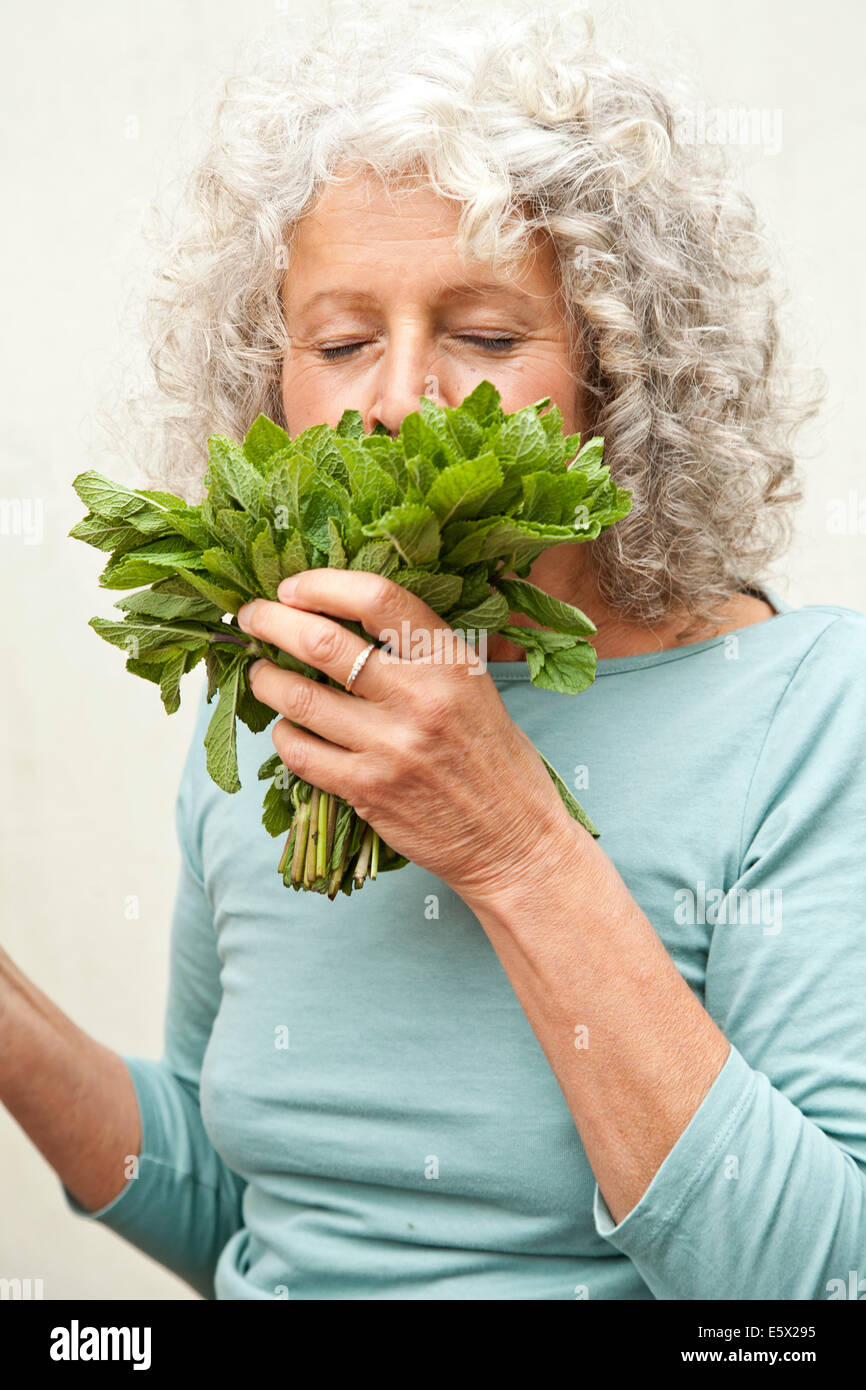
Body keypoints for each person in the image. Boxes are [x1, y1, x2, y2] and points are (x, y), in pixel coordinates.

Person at [4, 0, 865, 1300]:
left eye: (484, 335)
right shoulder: (270, 699)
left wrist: (513, 844)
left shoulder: (805, 714)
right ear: (269, 379)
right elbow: (252, 1210)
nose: (398, 397)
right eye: (341, 341)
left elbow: (813, 1293)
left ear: (619, 377)